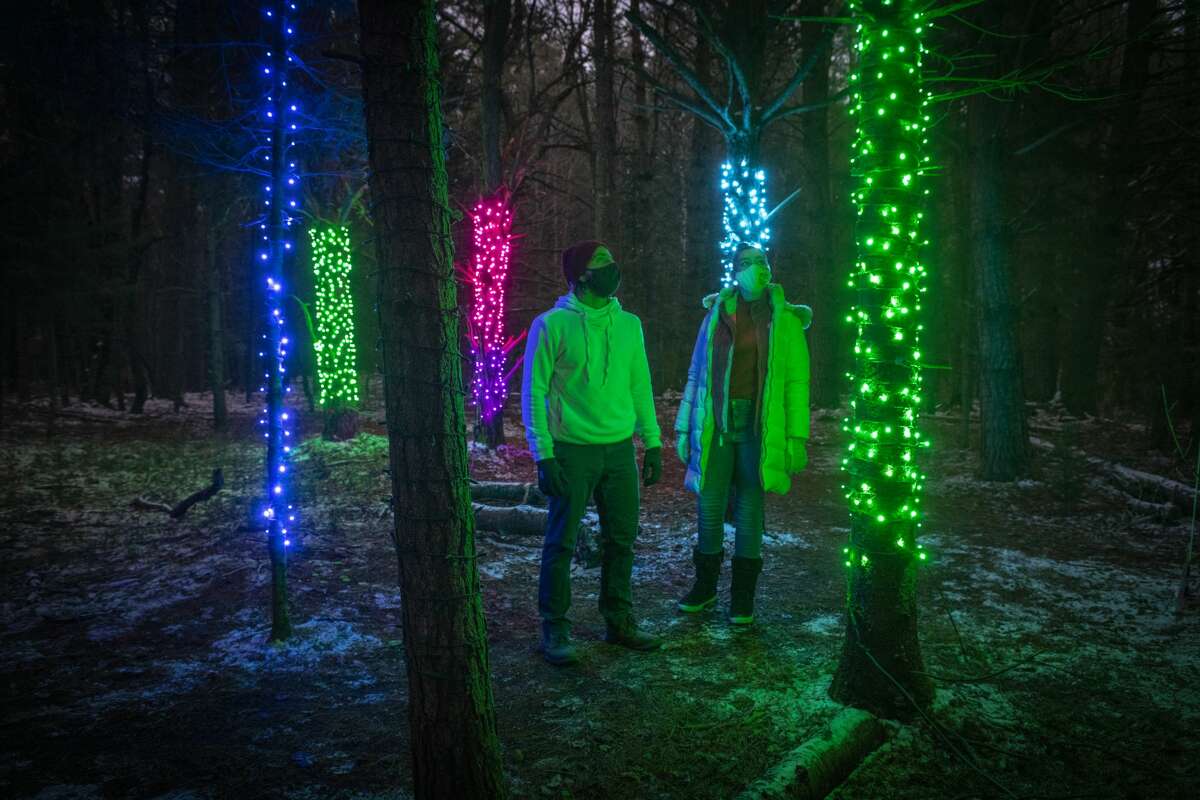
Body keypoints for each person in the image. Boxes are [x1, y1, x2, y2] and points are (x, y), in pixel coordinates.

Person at [521, 240, 664, 665]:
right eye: (602, 264)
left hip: (619, 451)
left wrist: (652, 442)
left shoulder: (630, 325)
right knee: (561, 542)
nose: (613, 269)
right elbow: (534, 391)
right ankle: (555, 628)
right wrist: (543, 454)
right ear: (582, 274)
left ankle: (618, 620)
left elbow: (640, 384)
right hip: (571, 451)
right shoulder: (551, 326)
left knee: (622, 539)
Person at [673, 244, 812, 625]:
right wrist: (684, 428)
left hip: (759, 430)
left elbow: (797, 384)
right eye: (748, 264)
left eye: (763, 262)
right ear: (734, 270)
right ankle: (704, 587)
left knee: (750, 508)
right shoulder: (717, 314)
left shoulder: (786, 321)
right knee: (710, 506)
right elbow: (696, 376)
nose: (757, 270)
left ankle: (743, 598)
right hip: (717, 425)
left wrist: (797, 438)